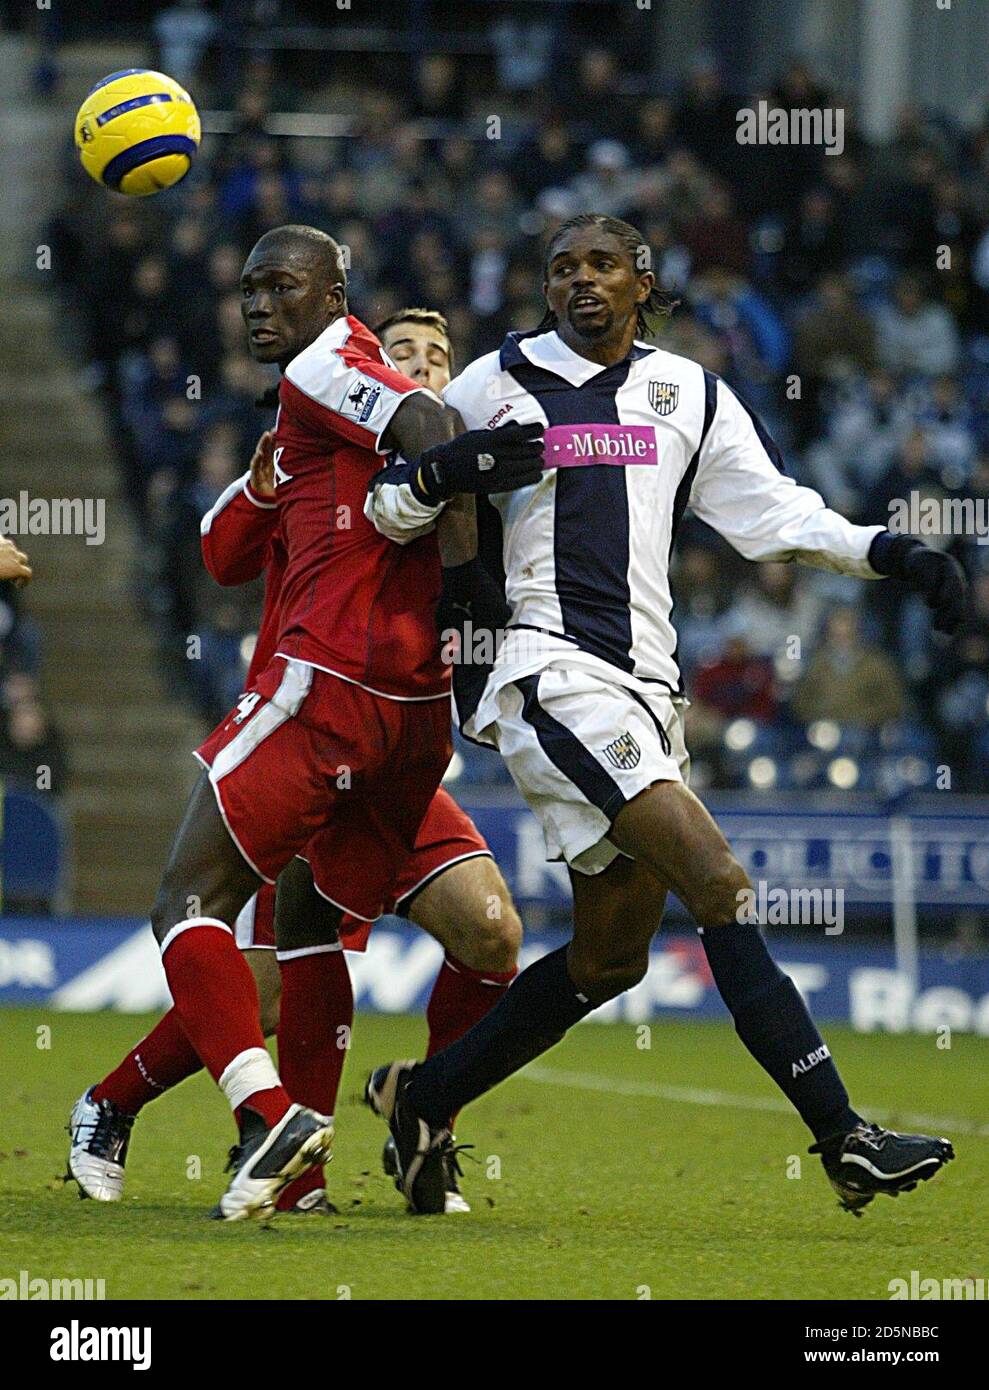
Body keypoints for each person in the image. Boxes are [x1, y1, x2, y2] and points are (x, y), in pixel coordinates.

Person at [365, 213, 966, 1216]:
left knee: (609, 959)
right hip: (548, 671)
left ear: (643, 281)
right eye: (561, 269)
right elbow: (397, 504)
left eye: (601, 264)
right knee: (719, 878)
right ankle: (842, 1134)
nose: (580, 281)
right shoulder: (487, 382)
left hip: (647, 687)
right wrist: (441, 477)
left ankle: (421, 1099)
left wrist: (891, 552)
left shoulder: (686, 391)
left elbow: (775, 514)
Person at [67, 224, 543, 1222]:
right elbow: (219, 554)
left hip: (388, 720)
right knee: (277, 973)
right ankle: (187, 1128)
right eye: (396, 351)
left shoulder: (444, 443)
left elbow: (459, 465)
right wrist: (269, 475)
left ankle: (413, 1121)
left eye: (432, 358)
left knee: (490, 932)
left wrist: (467, 552)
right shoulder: (316, 425)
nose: (409, 368)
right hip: (318, 703)